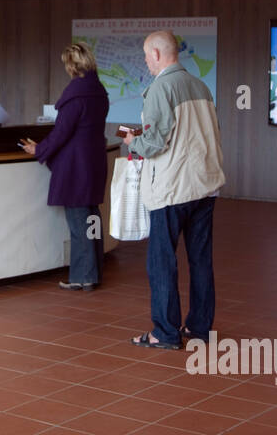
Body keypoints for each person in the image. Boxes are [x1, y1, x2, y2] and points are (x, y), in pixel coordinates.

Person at [122, 30, 226, 349]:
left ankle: (165, 333)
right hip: (204, 186)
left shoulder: (160, 88)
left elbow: (155, 142)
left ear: (156, 54)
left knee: (162, 261)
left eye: (144, 55)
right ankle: (199, 329)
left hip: (171, 188)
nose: (144, 61)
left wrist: (132, 141)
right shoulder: (201, 86)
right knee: (200, 261)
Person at [19, 42, 110, 290]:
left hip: (76, 166)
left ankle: (84, 276)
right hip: (93, 161)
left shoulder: (76, 95)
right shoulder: (99, 91)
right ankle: (94, 271)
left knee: (79, 222)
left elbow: (61, 133)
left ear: (72, 65)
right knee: (92, 219)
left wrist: (39, 150)